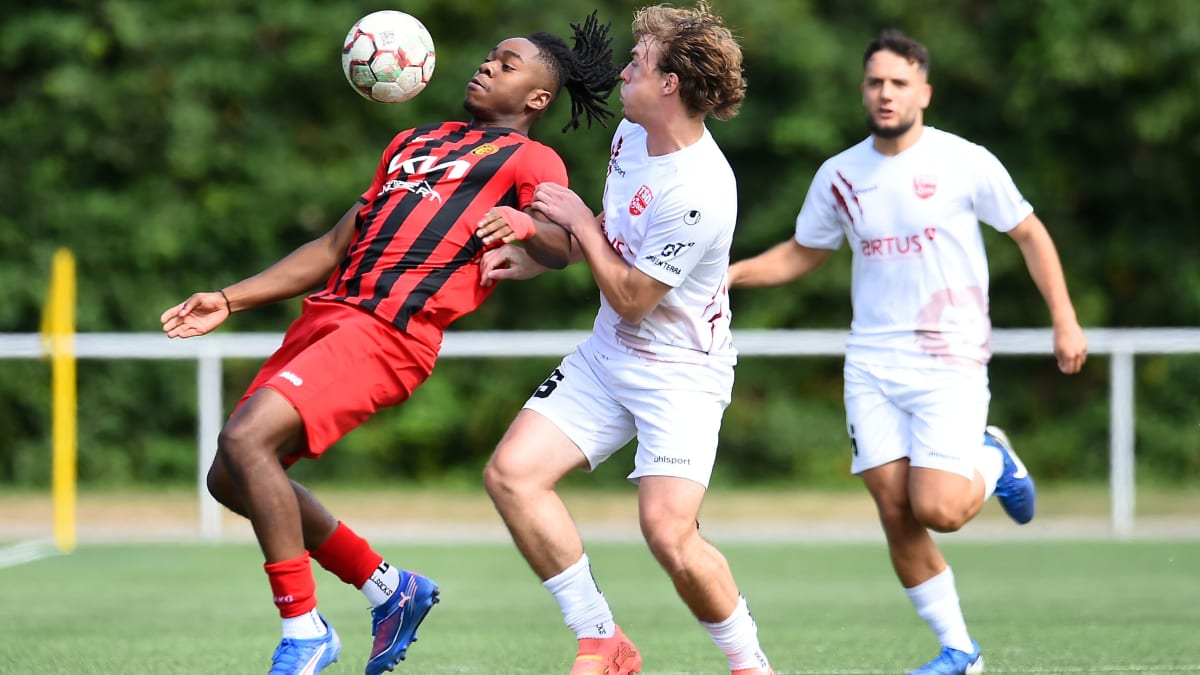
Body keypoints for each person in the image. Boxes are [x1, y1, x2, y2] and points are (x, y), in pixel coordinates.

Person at [159, 14, 620, 675]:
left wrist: (526, 225)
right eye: (490, 56)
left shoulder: (529, 159)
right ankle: (389, 588)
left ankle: (304, 629)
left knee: (244, 441)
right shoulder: (412, 141)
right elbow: (330, 248)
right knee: (229, 477)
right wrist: (229, 298)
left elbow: (567, 245)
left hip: (389, 332)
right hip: (328, 317)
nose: (488, 65)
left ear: (538, 100)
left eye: (508, 63)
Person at [727, 29, 1088, 675]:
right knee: (895, 510)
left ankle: (990, 453)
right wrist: (730, 275)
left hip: (949, 354)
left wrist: (1064, 319)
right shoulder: (839, 174)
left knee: (940, 508)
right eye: (874, 82)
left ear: (923, 90)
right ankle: (960, 651)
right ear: (863, 90)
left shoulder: (964, 160)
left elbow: (1029, 232)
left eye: (898, 82)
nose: (885, 93)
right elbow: (803, 251)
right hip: (871, 361)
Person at [476, 3, 774, 674]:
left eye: (637, 63)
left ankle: (751, 663)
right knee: (512, 476)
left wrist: (577, 222)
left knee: (669, 533)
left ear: (669, 83)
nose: (621, 70)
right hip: (609, 356)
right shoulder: (633, 137)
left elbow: (636, 296)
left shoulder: (701, 189)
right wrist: (539, 250)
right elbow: (615, 238)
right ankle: (602, 638)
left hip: (680, 375)